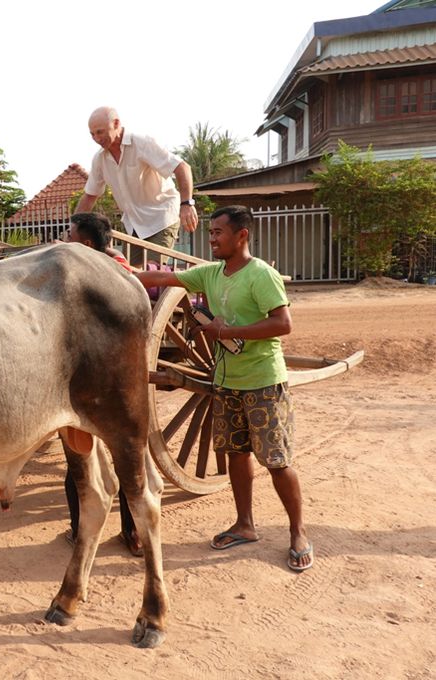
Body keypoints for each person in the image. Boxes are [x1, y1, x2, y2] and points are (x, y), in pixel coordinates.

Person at [134, 205, 313, 572]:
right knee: (235, 454)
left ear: (241, 236)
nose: (212, 238)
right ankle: (245, 524)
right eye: (211, 232)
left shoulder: (261, 275)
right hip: (226, 382)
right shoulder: (211, 274)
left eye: (218, 233)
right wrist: (122, 272)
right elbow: (166, 280)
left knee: (277, 461)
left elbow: (283, 323)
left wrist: (226, 332)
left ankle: (298, 532)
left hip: (263, 380)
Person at [60, 212, 143, 557]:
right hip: (82, 373)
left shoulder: (117, 276)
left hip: (106, 376)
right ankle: (82, 529)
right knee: (82, 459)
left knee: (124, 453)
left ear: (88, 246)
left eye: (70, 236)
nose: (64, 240)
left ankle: (132, 531)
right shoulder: (86, 272)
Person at [75, 106, 198, 265]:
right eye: (92, 134)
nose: (97, 138)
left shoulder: (142, 143)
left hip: (161, 217)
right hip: (134, 225)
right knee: (128, 276)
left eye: (100, 132)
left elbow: (182, 167)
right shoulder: (99, 159)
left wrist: (187, 203)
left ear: (116, 124)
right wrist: (74, 229)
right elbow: (90, 196)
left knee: (152, 272)